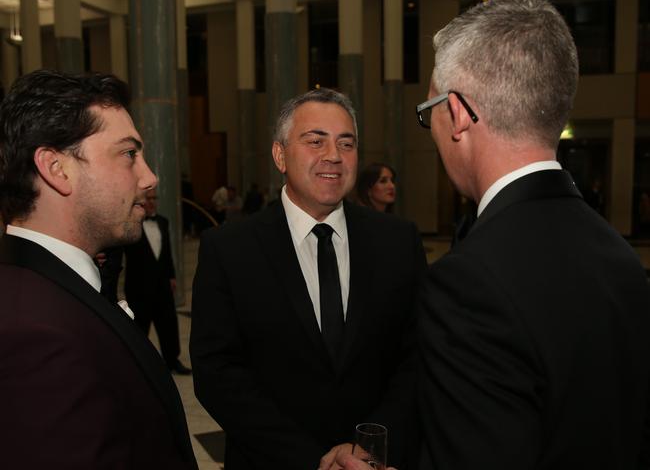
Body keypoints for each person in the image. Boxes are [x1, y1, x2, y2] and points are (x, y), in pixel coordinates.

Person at [342, 0, 650, 470]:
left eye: (430, 112)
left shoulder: (469, 284)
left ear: (460, 114)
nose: (435, 130)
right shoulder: (622, 259)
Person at [190, 88, 426, 470]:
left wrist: (365, 448)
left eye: (345, 143)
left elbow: (417, 357)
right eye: (315, 140)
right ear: (280, 155)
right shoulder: (230, 248)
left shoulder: (398, 242)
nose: (333, 155)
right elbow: (217, 373)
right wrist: (311, 460)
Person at [0, 69, 197, 469]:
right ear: (57, 169)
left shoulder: (53, 285)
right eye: (128, 154)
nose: (149, 176)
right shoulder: (32, 335)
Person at [123, 189, 192, 375]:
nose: (152, 202)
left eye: (154, 198)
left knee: (168, 324)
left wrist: (171, 275)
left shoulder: (162, 221)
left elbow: (167, 252)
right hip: (139, 286)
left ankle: (172, 360)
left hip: (162, 284)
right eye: (148, 198)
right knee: (140, 328)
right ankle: (140, 363)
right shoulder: (131, 223)